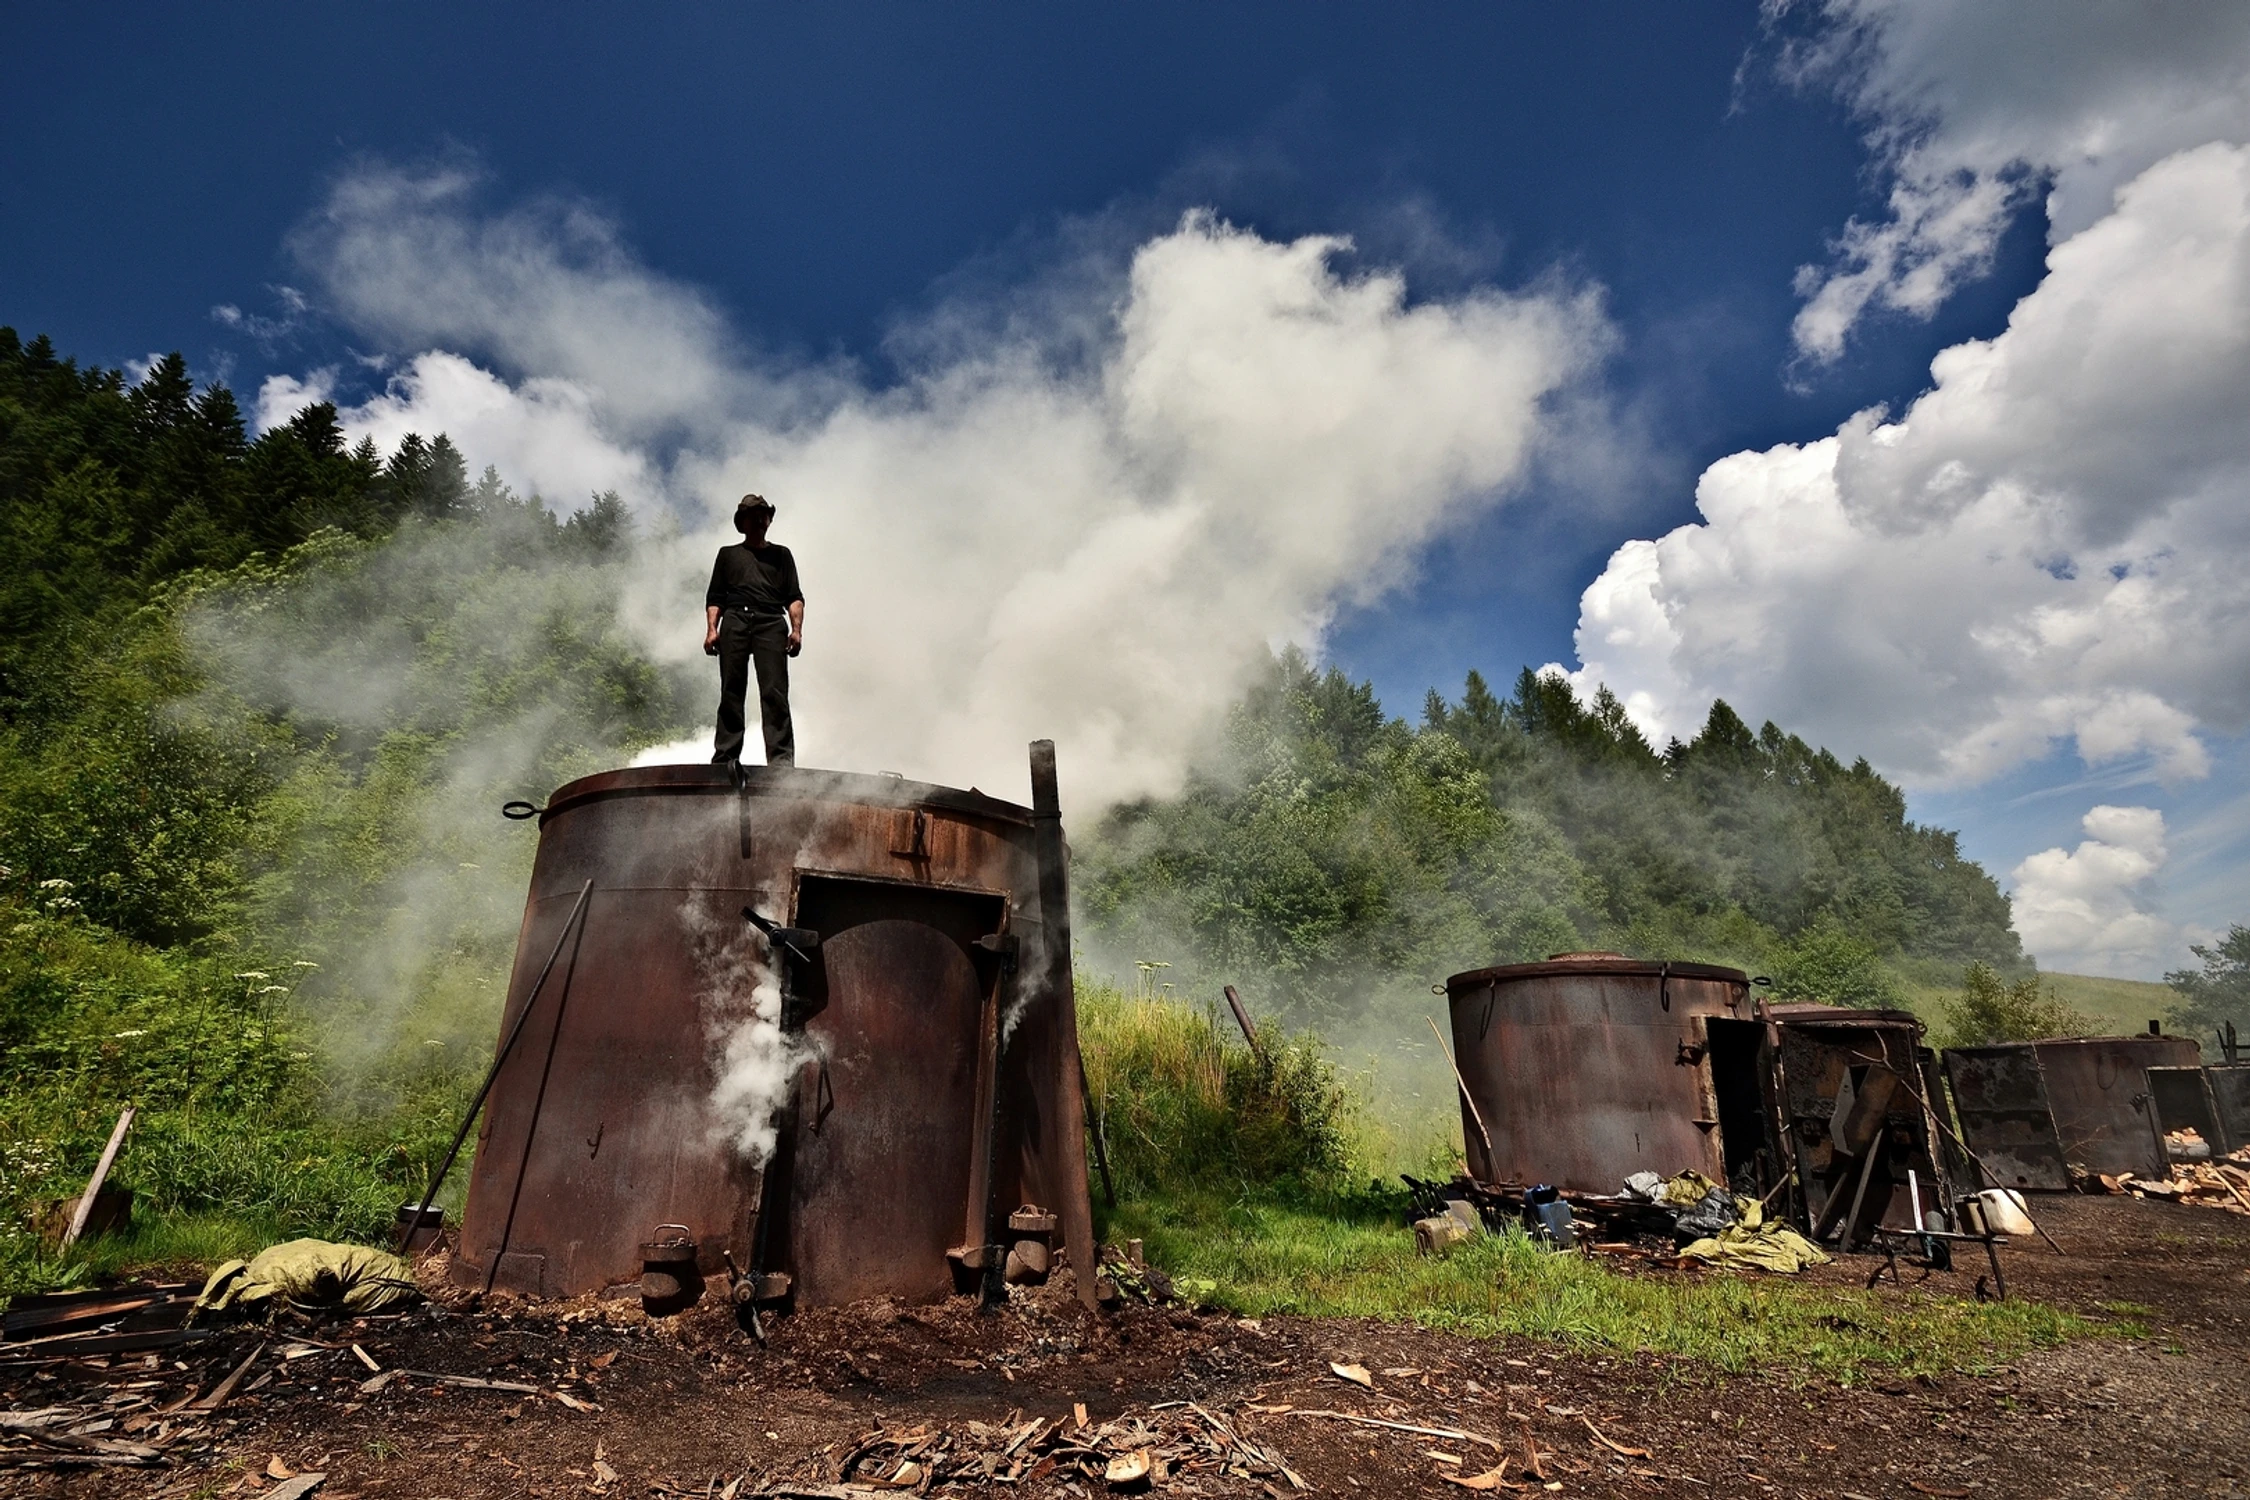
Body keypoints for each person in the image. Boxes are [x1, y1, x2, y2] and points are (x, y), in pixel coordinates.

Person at [705, 494, 804, 768]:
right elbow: (715, 597)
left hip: (771, 621)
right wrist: (712, 629)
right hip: (735, 619)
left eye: (763, 513)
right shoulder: (728, 555)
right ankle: (726, 758)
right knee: (731, 690)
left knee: (774, 691)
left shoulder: (781, 555)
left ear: (769, 520)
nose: (759, 518)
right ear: (743, 521)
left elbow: (794, 597)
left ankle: (781, 762)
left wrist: (796, 630)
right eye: (753, 514)